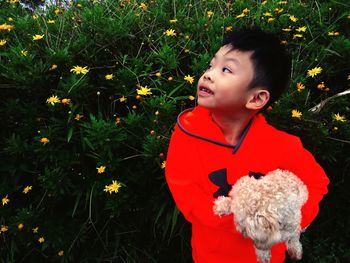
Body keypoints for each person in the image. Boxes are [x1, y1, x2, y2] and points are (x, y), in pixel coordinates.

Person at [165, 28, 329, 263]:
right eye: (211, 66)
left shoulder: (282, 146)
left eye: (226, 69)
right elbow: (183, 188)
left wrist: (292, 220)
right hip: (209, 254)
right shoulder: (187, 133)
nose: (208, 75)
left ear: (256, 98)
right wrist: (238, 220)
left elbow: (317, 182)